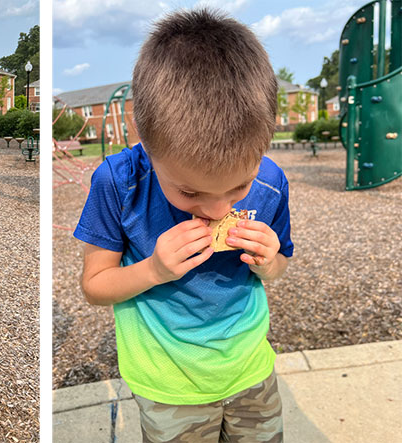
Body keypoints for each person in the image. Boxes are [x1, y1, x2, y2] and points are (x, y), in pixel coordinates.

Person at [73, 9, 291, 442]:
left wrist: (268, 262)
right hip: (169, 385)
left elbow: (281, 262)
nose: (216, 209)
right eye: (190, 193)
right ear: (144, 138)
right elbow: (95, 286)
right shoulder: (118, 183)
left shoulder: (271, 182)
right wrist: (153, 270)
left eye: (238, 187)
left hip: (251, 370)